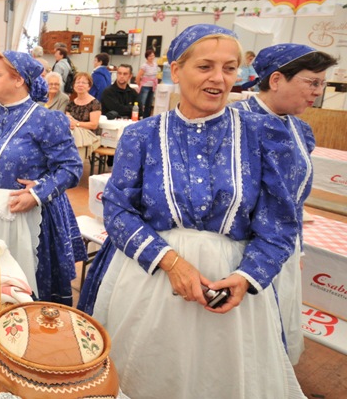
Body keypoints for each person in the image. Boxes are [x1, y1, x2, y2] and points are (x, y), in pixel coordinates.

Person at [77, 24, 305, 398]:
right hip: (150, 280)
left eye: (229, 68)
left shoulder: (262, 134)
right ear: (176, 70)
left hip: (232, 290)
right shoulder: (142, 135)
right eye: (205, 66)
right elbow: (117, 210)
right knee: (144, 374)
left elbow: (279, 223)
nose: (219, 78)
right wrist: (170, 262)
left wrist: (247, 276)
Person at [231, 44, 338, 365]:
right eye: (312, 82)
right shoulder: (234, 123)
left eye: (322, 84)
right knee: (242, 338)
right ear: (276, 80)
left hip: (283, 247)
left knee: (273, 336)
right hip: (241, 251)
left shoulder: (300, 129)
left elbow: (294, 199)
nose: (318, 92)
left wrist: (298, 248)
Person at [0, 50, 84, 305]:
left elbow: (71, 167)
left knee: (13, 288)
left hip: (16, 216)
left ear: (18, 80)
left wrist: (38, 193)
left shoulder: (45, 119)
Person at [65, 72, 102, 159]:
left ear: (89, 86)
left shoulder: (95, 103)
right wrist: (71, 124)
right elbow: (68, 120)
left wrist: (77, 124)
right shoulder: (70, 104)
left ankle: (76, 162)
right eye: (78, 82)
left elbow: (94, 125)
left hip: (90, 134)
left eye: (84, 83)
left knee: (75, 136)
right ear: (74, 85)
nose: (80, 85)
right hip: (73, 132)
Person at [135, 48, 158, 118]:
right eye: (150, 56)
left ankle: (147, 117)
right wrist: (139, 84)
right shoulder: (144, 66)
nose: (152, 57)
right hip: (145, 86)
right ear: (147, 57)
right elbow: (138, 77)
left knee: (149, 103)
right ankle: (139, 116)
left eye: (153, 55)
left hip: (152, 86)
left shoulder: (155, 64)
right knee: (142, 102)